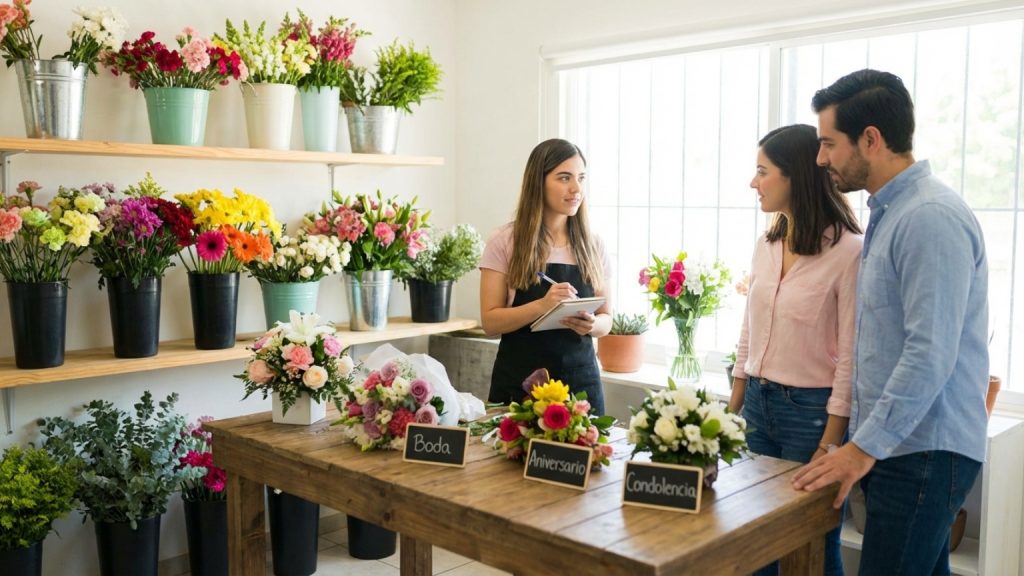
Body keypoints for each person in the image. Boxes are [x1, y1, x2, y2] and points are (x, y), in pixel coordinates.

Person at [793, 69, 989, 576]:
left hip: (923, 450)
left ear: (871, 140)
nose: (821, 159)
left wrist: (860, 450)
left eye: (828, 144)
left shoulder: (928, 217)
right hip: (903, 446)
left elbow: (929, 354)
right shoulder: (892, 213)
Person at [729, 123, 862, 576]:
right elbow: (749, 329)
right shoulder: (765, 244)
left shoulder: (850, 252)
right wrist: (733, 408)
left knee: (812, 546)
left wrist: (830, 443)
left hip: (810, 416)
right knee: (752, 539)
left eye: (763, 171)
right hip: (757, 409)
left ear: (795, 177)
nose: (753, 182)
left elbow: (850, 359)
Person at [479, 138, 613, 414]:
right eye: (564, 178)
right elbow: (490, 322)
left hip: (581, 384)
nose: (576, 189)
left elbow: (607, 319)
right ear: (538, 182)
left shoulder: (594, 245)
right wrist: (542, 306)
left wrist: (591, 325)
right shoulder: (506, 240)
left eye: (581, 178)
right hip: (520, 384)